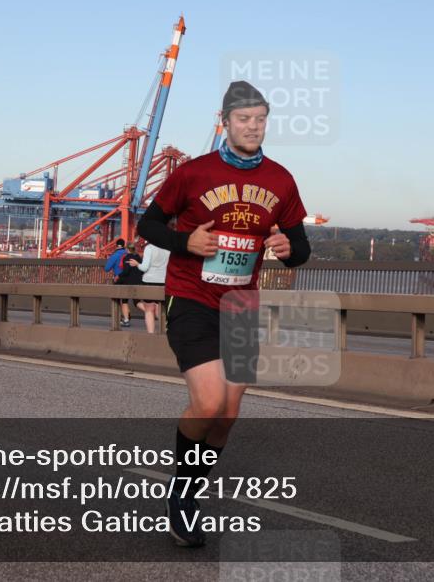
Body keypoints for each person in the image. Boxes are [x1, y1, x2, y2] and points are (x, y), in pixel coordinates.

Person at [137, 80, 311, 547]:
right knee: (210, 402)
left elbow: (301, 250)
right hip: (191, 296)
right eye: (243, 119)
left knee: (229, 413)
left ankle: (190, 491)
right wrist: (184, 241)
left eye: (259, 119)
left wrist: (287, 247)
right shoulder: (193, 173)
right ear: (225, 121)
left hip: (240, 304)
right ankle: (182, 496)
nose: (252, 127)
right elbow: (147, 223)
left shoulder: (281, 180)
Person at [134, 240, 169, 334]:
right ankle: (165, 329)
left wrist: (137, 264)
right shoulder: (167, 248)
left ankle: (151, 335)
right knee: (160, 308)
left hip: (149, 281)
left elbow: (144, 268)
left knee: (149, 309)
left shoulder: (149, 248)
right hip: (163, 281)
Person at [104, 238, 131, 326]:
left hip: (118, 279)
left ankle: (118, 318)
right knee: (125, 301)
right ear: (124, 245)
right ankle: (126, 318)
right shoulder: (128, 253)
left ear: (117, 245)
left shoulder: (115, 255)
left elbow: (107, 268)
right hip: (128, 279)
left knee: (116, 299)